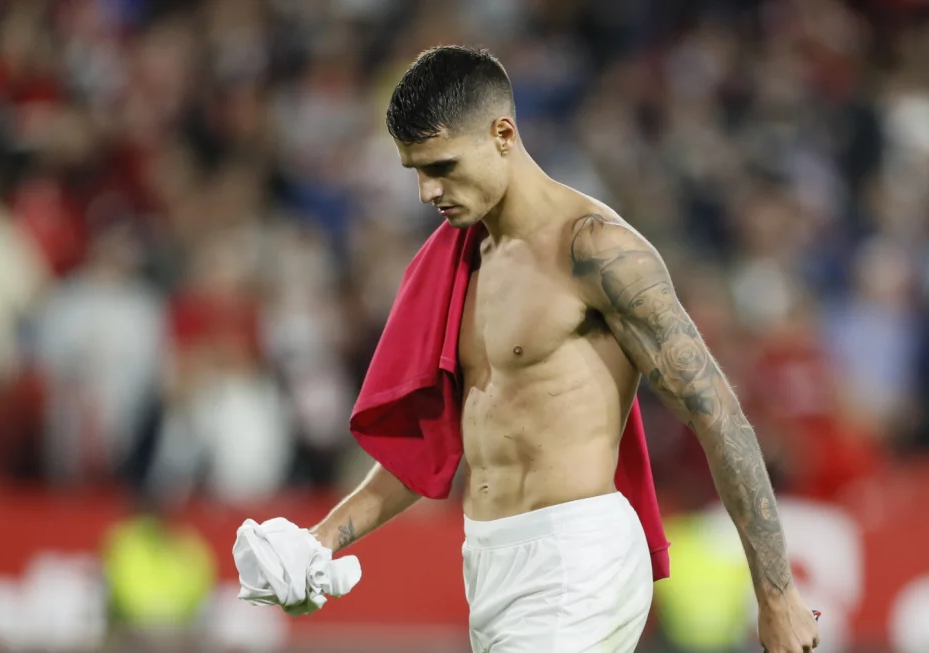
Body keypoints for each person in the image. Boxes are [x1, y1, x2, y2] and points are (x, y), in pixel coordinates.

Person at [306, 46, 819, 653]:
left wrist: (776, 593)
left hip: (578, 558)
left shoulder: (597, 251)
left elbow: (718, 415)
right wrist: (319, 541)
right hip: (488, 562)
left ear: (503, 133)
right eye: (415, 170)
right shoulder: (462, 262)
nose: (426, 191)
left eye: (441, 166)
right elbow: (430, 450)